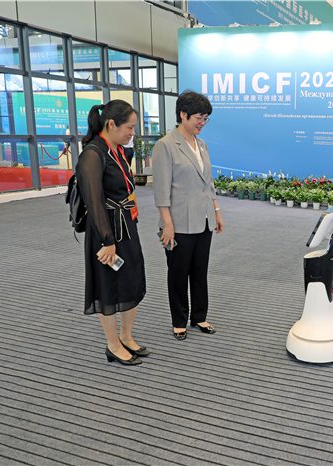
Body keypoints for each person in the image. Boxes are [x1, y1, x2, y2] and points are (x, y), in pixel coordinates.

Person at [77, 100, 148, 365]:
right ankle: (113, 344)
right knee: (107, 285)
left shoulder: (117, 150)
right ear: (111, 124)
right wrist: (107, 241)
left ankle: (126, 337)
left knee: (132, 279)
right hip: (105, 231)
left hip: (126, 224)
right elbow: (94, 201)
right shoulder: (93, 154)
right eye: (129, 127)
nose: (132, 133)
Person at [152, 91, 224, 341]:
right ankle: (179, 321)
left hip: (203, 219)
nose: (202, 123)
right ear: (183, 114)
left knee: (200, 270)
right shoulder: (165, 145)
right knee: (178, 273)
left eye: (205, 119)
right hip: (178, 222)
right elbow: (161, 191)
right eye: (199, 118)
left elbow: (208, 183)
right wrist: (167, 225)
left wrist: (216, 211)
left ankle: (200, 316)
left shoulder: (201, 144)